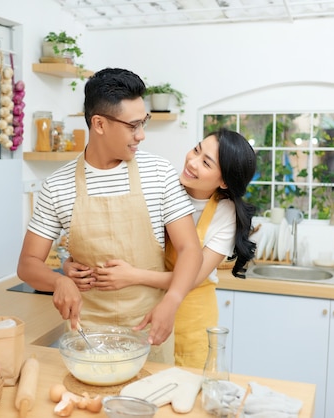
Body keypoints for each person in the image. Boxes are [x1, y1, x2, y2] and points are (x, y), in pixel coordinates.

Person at [16, 68, 202, 364]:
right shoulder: (57, 185)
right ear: (99, 124)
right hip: (88, 335)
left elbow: (190, 249)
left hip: (149, 328)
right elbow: (27, 264)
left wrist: (173, 300)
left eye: (144, 123)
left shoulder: (159, 172)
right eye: (133, 126)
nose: (141, 135)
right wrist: (59, 281)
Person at [64, 128, 257, 368]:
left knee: (187, 387)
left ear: (225, 181)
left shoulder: (225, 214)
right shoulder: (160, 186)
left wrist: (133, 276)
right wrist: (70, 265)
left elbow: (192, 278)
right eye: (196, 150)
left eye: (206, 163)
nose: (192, 162)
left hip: (192, 312)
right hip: (145, 305)